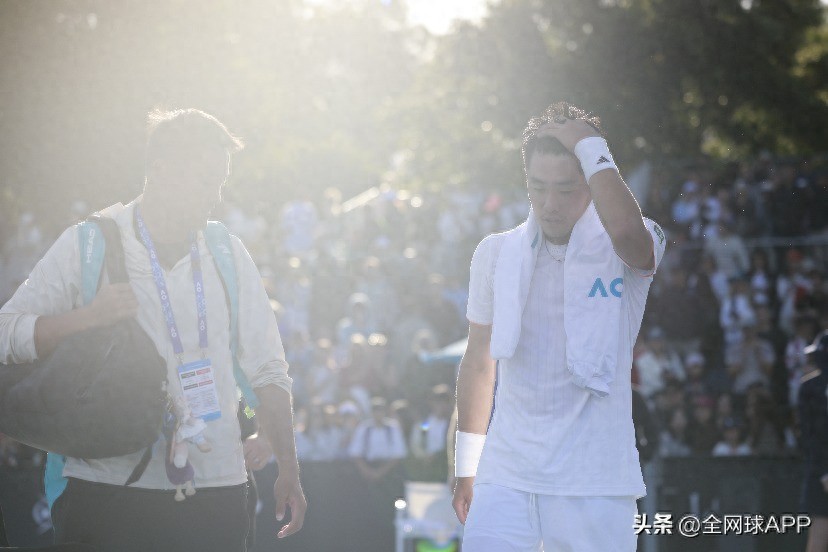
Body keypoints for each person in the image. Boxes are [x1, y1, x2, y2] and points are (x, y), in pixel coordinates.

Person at [0, 108, 306, 552]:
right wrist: (86, 318)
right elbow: (6, 333)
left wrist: (290, 470)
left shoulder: (227, 252)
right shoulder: (90, 243)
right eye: (205, 179)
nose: (214, 196)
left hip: (217, 488)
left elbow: (269, 371)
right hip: (105, 489)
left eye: (219, 181)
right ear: (160, 171)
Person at [452, 101, 666, 551]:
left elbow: (629, 237)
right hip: (505, 477)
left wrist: (590, 145)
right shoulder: (494, 252)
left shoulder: (635, 240)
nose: (550, 204)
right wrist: (467, 466)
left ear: (592, 180)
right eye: (538, 187)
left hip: (596, 484)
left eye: (567, 189)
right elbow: (478, 365)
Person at [798, 330, 828, 552]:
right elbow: (811, 438)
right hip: (821, 476)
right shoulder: (809, 388)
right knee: (818, 538)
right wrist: (824, 473)